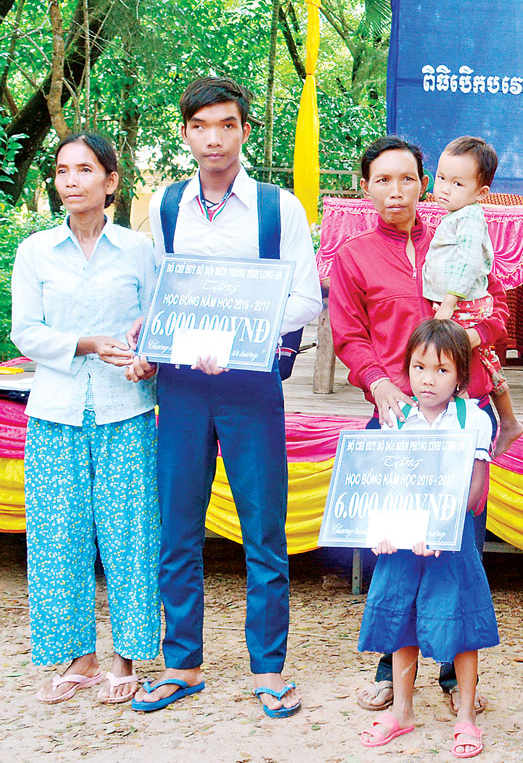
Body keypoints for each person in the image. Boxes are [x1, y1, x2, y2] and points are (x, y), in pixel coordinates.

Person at [127, 76, 323, 717]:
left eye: (227, 125)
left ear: (244, 131)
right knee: (177, 529)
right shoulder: (166, 206)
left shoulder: (278, 208)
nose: (214, 137)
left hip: (249, 385)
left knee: (263, 529)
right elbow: (160, 290)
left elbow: (305, 300)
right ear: (186, 134)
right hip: (180, 386)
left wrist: (238, 337)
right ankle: (181, 663)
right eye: (201, 126)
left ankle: (270, 669)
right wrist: (148, 329)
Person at [328, 135, 508, 716]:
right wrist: (379, 384)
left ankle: (457, 680)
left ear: (425, 183)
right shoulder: (354, 255)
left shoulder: (459, 236)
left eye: (407, 179)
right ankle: (390, 670)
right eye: (383, 180)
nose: (396, 191)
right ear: (365, 187)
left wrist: (468, 339)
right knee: (397, 547)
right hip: (398, 423)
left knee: (459, 547)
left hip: (458, 421)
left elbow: (500, 312)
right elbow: (350, 336)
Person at [11, 132, 160, 706]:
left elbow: (157, 323)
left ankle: (127, 656)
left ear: (111, 182)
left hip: (127, 410)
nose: (70, 180)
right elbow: (26, 330)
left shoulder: (139, 251)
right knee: (58, 536)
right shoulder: (35, 252)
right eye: (62, 170)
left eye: (84, 170)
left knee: (129, 533)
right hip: (55, 411)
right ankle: (80, 657)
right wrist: (88, 344)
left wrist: (148, 362)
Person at [357, 319, 499, 758]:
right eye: (419, 368)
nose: (427, 379)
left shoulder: (473, 419)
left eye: (441, 370)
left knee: (460, 627)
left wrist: (438, 527)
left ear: (460, 376)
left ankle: (465, 718)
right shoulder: (396, 418)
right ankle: (402, 711)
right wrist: (380, 529)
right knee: (400, 621)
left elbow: (475, 490)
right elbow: (382, 481)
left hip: (449, 544)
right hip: (401, 543)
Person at [424, 135, 523, 457]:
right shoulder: (455, 215)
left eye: (456, 183)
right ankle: (507, 420)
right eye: (441, 178)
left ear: (480, 193)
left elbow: (468, 262)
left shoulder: (469, 218)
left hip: (462, 304)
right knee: (482, 359)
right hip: (457, 301)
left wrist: (449, 302)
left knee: (469, 358)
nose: (444, 189)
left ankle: (499, 420)